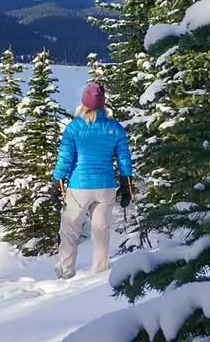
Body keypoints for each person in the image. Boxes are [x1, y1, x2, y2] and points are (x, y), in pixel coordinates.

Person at [51, 82, 132, 279]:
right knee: (101, 232)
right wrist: (127, 184)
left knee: (70, 231)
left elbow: (65, 158)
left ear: (83, 103)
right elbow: (123, 159)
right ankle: (100, 273)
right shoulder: (114, 128)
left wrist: (57, 181)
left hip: (79, 187)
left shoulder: (74, 128)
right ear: (103, 104)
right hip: (105, 186)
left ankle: (65, 271)